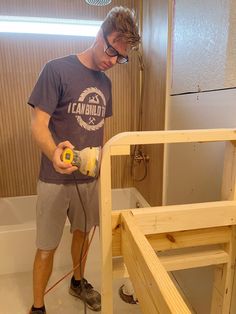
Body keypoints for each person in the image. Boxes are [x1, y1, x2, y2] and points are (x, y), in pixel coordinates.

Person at [27, 6, 140, 314]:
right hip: (54, 177)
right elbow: (38, 124)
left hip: (88, 179)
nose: (113, 61)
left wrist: (101, 165)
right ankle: (38, 307)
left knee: (83, 234)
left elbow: (100, 130)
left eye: (121, 57)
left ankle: (78, 282)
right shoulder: (56, 69)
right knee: (46, 247)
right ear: (99, 34)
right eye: (111, 50)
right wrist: (53, 153)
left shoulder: (106, 83)